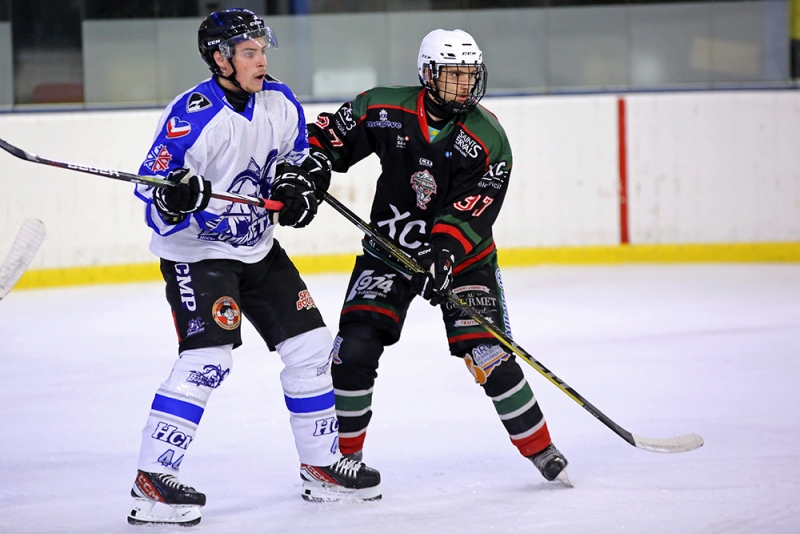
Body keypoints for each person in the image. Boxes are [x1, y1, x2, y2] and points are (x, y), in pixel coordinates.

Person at [128, 8, 380, 527]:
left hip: (258, 249)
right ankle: (152, 480)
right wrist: (177, 197)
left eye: (263, 50)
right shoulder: (193, 114)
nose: (261, 60)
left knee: (311, 348)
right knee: (209, 358)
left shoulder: (279, 100)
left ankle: (321, 468)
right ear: (220, 58)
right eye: (249, 52)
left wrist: (298, 187)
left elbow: (300, 157)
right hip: (199, 255)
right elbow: (151, 194)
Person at [307, 29, 568, 486]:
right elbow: (330, 138)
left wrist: (444, 253)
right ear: (428, 74)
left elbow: (476, 206)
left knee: (488, 353)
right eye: (453, 76)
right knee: (354, 348)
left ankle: (540, 448)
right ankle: (343, 459)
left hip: (463, 259)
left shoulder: (488, 138)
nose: (464, 86)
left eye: (470, 75)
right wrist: (310, 167)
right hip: (390, 251)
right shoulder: (384, 107)